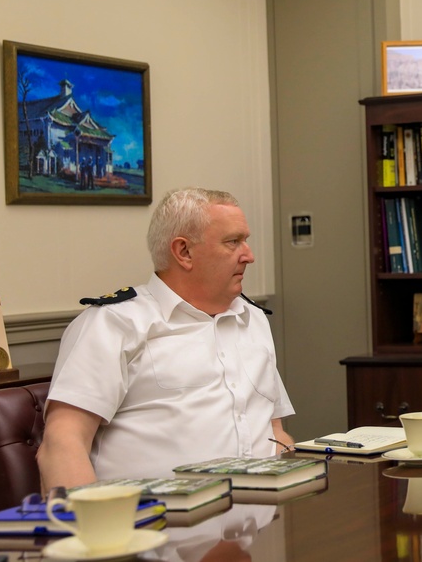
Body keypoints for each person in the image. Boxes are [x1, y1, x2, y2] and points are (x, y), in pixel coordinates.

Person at [37, 188, 294, 488]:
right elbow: (62, 444)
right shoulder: (114, 324)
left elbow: (275, 431)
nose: (249, 256)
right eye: (233, 242)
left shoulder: (254, 320)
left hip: (260, 518)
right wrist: (92, 530)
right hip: (157, 525)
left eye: (245, 241)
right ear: (183, 252)